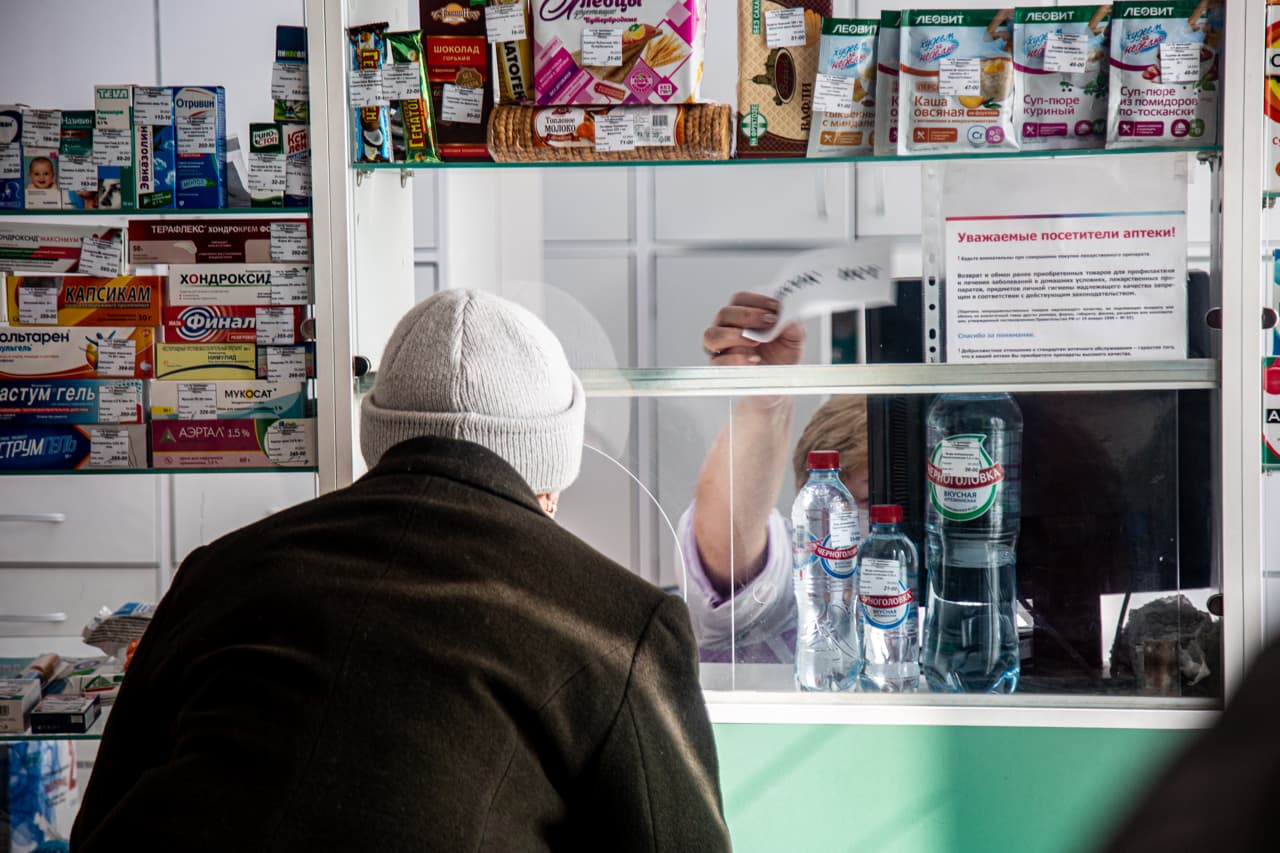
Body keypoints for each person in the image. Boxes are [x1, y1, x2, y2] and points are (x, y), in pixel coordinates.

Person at [71, 289, 732, 853]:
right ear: (552, 477)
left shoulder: (220, 569)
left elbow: (98, 818)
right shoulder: (618, 624)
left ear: (378, 439)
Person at [677, 291, 869, 663]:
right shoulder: (790, 570)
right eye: (865, 500)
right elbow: (730, 540)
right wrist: (766, 401)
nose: (889, 524)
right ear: (811, 493)